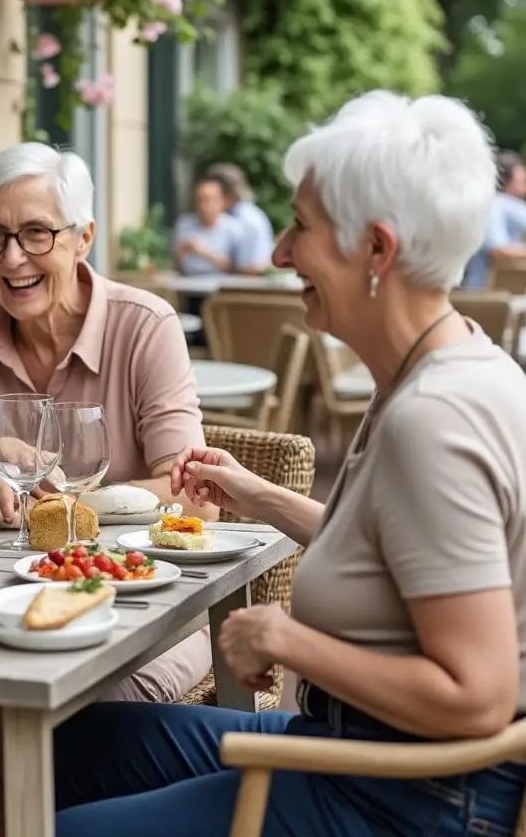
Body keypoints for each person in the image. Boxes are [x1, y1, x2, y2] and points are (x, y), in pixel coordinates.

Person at [52, 91, 526, 836]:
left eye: (300, 227)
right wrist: (258, 495)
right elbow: (402, 552)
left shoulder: (434, 420)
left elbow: (478, 695)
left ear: (377, 250)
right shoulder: (436, 365)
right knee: (69, 742)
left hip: (405, 798)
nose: (276, 253)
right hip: (357, 753)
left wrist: (281, 637)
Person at [0, 141, 214, 837]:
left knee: (21, 715)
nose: (12, 258)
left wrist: (67, 508)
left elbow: (190, 492)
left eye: (35, 233)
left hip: (132, 607)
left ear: (83, 237)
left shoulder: (144, 326)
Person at [462, 150, 526, 287]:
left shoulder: (512, 205)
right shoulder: (495, 205)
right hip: (487, 292)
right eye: (521, 180)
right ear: (507, 179)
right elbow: (498, 250)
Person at [204, 162, 275, 273]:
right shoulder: (246, 214)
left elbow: (251, 268)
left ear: (227, 195)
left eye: (212, 196)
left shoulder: (245, 220)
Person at [172, 177, 245, 276]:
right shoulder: (184, 225)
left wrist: (203, 252)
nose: (203, 206)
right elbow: (176, 265)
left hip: (223, 286)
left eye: (207, 200)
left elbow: (237, 267)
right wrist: (180, 253)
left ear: (221, 201)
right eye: (199, 200)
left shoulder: (235, 228)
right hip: (187, 282)